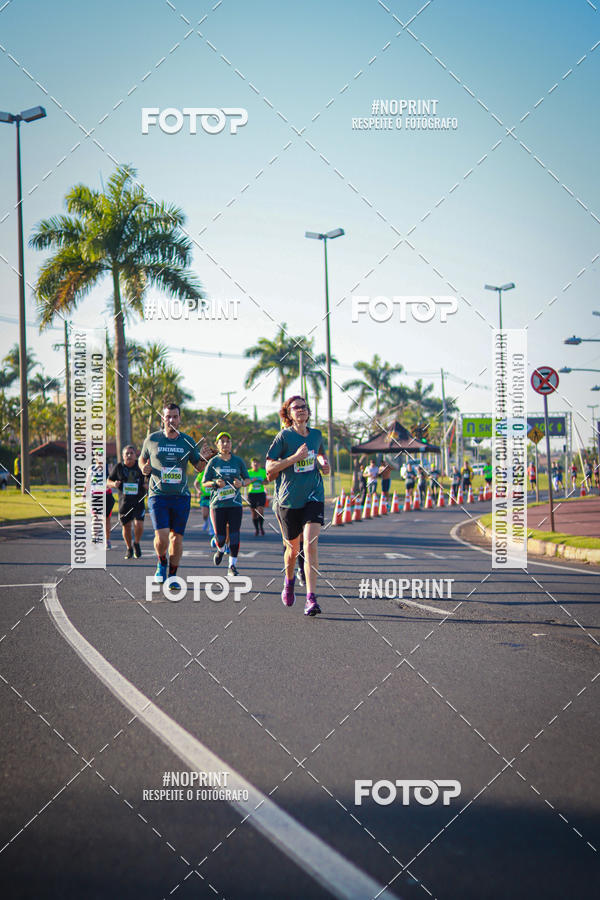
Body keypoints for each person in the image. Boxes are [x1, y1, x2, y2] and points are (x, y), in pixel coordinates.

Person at [266, 395, 330, 616]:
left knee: (310, 544)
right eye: (296, 408)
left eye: (304, 407)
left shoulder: (317, 435)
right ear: (289, 413)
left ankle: (311, 599)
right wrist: (293, 458)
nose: (301, 410)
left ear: (308, 412)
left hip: (313, 494)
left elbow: (319, 453)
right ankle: (289, 580)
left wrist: (323, 462)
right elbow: (269, 469)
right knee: (292, 551)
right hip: (288, 500)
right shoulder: (283, 437)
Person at [140, 402, 211, 585]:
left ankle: (172, 575)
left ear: (179, 419)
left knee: (176, 539)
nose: (171, 419)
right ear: (162, 418)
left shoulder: (187, 441)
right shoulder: (152, 439)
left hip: (180, 497)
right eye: (168, 416)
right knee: (162, 536)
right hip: (158, 495)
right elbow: (142, 458)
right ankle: (161, 562)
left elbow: (198, 467)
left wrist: (204, 458)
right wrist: (144, 467)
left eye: (174, 416)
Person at [202, 432, 250, 578]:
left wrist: (241, 483)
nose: (225, 444)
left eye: (228, 441)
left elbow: (247, 479)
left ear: (231, 444)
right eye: (222, 441)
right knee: (220, 537)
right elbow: (204, 484)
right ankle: (221, 549)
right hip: (217, 505)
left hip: (235, 504)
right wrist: (215, 484)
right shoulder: (213, 462)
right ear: (217, 444)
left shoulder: (238, 461)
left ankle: (232, 566)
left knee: (235, 535)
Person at [107, 445, 147, 559]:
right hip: (124, 502)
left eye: (131, 453)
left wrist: (147, 485)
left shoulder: (140, 467)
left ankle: (137, 543)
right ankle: (129, 548)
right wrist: (113, 484)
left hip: (138, 501)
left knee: (138, 524)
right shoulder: (119, 467)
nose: (129, 455)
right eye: (127, 454)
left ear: (135, 456)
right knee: (127, 527)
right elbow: (108, 480)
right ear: (123, 456)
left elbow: (148, 479)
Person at [85, 448, 115, 548]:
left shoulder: (109, 467)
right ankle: (95, 538)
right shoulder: (91, 468)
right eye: (97, 454)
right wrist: (84, 494)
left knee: (106, 519)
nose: (99, 456)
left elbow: (113, 481)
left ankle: (107, 540)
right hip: (95, 496)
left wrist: (110, 483)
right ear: (94, 456)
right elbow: (88, 482)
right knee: (95, 517)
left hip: (107, 495)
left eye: (101, 454)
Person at [247, 457, 268, 537]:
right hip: (252, 494)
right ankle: (256, 529)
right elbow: (245, 482)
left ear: (259, 464)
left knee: (260, 510)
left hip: (261, 493)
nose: (255, 464)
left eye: (257, 463)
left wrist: (264, 482)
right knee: (254, 513)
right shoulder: (248, 472)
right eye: (254, 463)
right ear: (251, 465)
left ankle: (261, 527)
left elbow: (267, 481)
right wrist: (252, 480)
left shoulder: (263, 472)